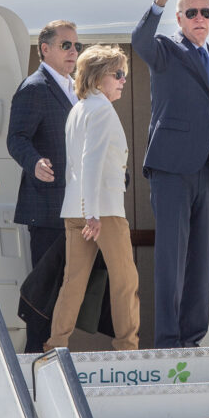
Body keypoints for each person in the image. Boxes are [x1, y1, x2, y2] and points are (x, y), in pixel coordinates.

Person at [132, 0, 209, 348]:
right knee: (171, 258)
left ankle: (192, 338)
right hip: (171, 168)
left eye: (205, 12)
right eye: (191, 12)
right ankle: (168, 339)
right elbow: (139, 41)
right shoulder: (166, 50)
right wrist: (160, 0)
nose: (199, 18)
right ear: (179, 18)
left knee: (201, 258)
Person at [44, 45, 139, 351]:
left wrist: (85, 211)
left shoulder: (78, 109)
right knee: (125, 281)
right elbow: (91, 161)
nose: (123, 80)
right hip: (102, 211)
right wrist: (93, 214)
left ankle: (55, 345)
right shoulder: (102, 110)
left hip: (75, 209)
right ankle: (127, 348)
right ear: (99, 78)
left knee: (73, 282)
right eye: (118, 74)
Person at [7, 19, 82, 352]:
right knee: (45, 294)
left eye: (76, 45)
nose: (73, 51)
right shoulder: (35, 87)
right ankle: (36, 360)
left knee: (67, 292)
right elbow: (16, 138)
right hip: (48, 209)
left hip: (75, 207)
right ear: (45, 49)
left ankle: (54, 355)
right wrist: (34, 162)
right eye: (66, 45)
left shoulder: (76, 87)